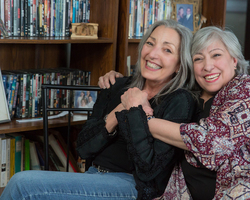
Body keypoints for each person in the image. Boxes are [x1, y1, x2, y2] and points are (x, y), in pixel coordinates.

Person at [0, 19, 196, 200]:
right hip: (93, 176)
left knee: (21, 185)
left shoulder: (179, 100)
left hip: (132, 186)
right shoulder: (118, 85)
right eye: (150, 43)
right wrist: (121, 108)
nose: (153, 54)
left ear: (180, 64)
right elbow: (84, 148)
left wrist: (135, 109)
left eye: (167, 50)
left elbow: (149, 170)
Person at [98, 26, 250, 199]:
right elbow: (157, 80)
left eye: (216, 55)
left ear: (234, 60)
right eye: (198, 58)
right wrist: (119, 80)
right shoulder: (187, 97)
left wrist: (140, 117)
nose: (207, 66)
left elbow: (213, 142)